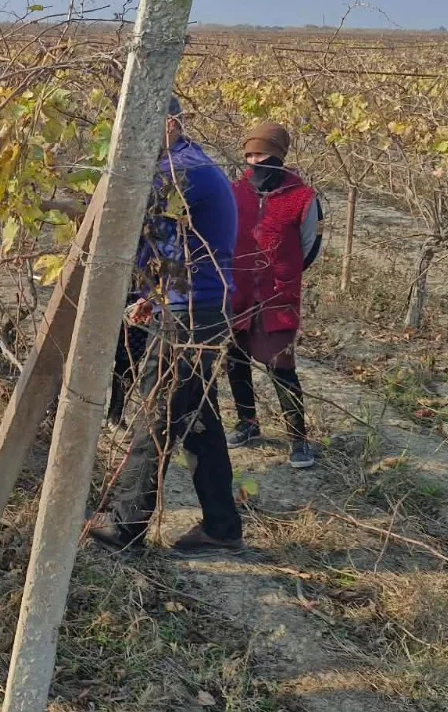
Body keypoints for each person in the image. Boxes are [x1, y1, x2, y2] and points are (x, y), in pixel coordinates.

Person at [89, 98, 245, 557]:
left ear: (171, 123)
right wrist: (149, 297)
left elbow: (133, 229)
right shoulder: (182, 163)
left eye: (141, 126)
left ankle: (125, 527)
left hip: (194, 314)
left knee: (159, 416)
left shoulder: (179, 173)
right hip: (194, 306)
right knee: (198, 420)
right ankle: (222, 526)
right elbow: (167, 243)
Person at [225, 121, 323, 468]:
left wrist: (282, 274)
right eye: (249, 154)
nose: (254, 161)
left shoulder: (303, 198)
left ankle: (298, 439)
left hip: (277, 298)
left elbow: (309, 248)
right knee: (234, 361)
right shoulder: (235, 191)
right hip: (237, 295)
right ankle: (247, 423)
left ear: (278, 157)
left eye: (262, 154)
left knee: (281, 367)